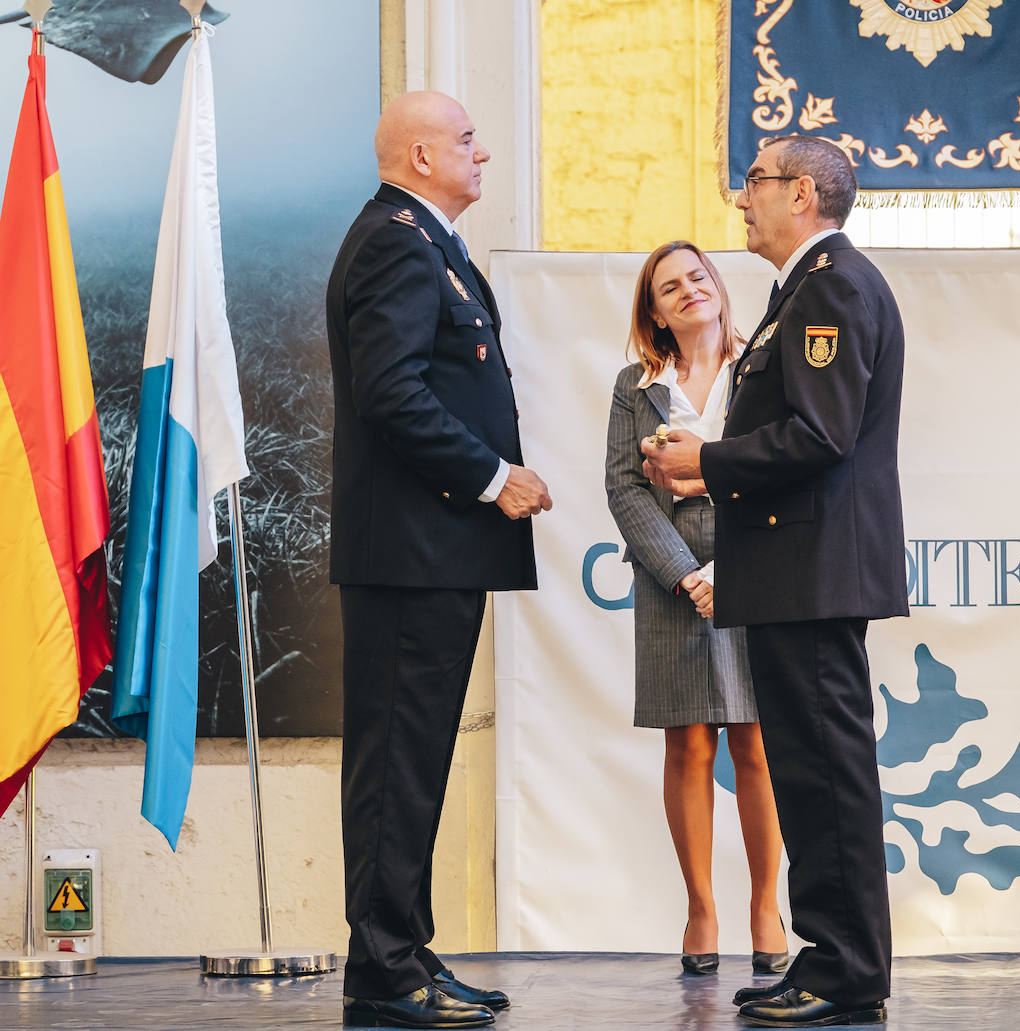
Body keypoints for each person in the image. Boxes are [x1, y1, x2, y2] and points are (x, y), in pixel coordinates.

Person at [640, 135, 906, 1027]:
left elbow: (822, 435)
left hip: (817, 570)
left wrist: (707, 459)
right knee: (811, 770)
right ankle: (830, 956)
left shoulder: (829, 283)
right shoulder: (804, 287)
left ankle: (846, 969)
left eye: (753, 182)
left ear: (800, 193)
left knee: (826, 773)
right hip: (801, 569)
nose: (740, 197)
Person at [326, 91, 552, 1030]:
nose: (483, 151)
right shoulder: (393, 242)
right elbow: (391, 393)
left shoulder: (424, 242)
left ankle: (403, 952)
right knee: (395, 765)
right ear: (420, 156)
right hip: (412, 554)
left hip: (433, 553)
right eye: (466, 139)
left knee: (413, 762)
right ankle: (381, 970)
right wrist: (494, 475)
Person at [604, 241, 790, 979]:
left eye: (697, 277)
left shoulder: (762, 369)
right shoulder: (635, 386)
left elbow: (781, 468)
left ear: (717, 287)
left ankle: (766, 906)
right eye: (668, 287)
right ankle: (702, 909)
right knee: (689, 745)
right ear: (654, 310)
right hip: (669, 580)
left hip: (755, 568)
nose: (687, 291)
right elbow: (624, 489)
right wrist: (688, 575)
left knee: (756, 742)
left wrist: (731, 568)